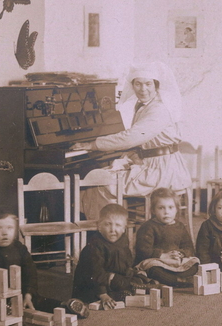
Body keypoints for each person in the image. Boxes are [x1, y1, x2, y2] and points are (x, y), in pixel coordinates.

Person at [72, 62, 193, 218]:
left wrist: (93, 145)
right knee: (99, 176)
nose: (143, 89)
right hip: (155, 164)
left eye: (148, 84)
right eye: (138, 84)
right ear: (132, 85)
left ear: (156, 85)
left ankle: (107, 229)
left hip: (162, 170)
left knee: (100, 180)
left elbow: (132, 137)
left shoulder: (159, 109)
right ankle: (107, 227)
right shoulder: (145, 105)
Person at [0, 209, 88, 319]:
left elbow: (30, 271)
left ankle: (64, 305)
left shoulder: (18, 247)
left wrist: (28, 293)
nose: (5, 233)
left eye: (10, 228)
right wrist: (11, 299)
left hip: (21, 292)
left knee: (39, 301)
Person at [74, 204, 153, 309]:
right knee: (119, 282)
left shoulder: (123, 240)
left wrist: (131, 271)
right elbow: (95, 273)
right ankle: (128, 289)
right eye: (108, 224)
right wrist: (103, 295)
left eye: (118, 225)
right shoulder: (95, 246)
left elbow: (125, 262)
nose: (113, 229)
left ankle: (137, 286)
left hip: (111, 279)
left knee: (133, 277)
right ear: (99, 226)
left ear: (124, 228)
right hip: (93, 286)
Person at [134, 188, 200, 288]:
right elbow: (142, 250)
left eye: (170, 207)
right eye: (161, 208)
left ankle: (174, 279)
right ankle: (175, 280)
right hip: (158, 261)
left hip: (175, 261)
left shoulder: (180, 226)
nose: (166, 212)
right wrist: (162, 255)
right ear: (153, 210)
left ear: (176, 209)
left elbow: (188, 246)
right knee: (153, 268)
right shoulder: (148, 227)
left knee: (195, 262)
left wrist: (181, 254)